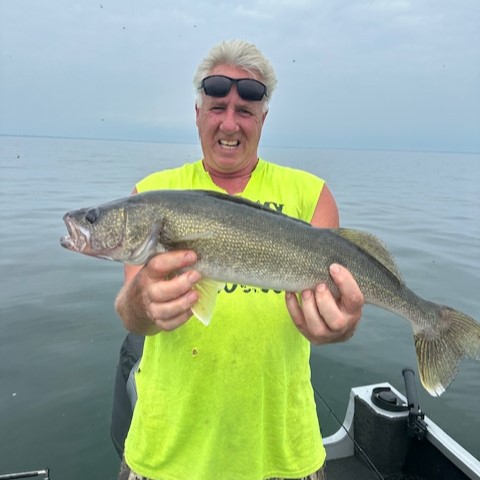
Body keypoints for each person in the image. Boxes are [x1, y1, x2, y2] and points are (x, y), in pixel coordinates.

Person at [115, 39, 364, 480]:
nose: (230, 122)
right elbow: (134, 314)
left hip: (283, 458)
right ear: (197, 115)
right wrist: (143, 303)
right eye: (216, 107)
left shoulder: (312, 196)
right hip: (166, 457)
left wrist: (340, 326)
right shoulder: (153, 196)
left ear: (263, 119)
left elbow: (338, 308)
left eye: (245, 111)